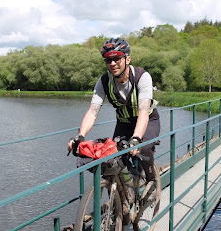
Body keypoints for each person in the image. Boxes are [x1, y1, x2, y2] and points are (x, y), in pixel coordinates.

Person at [68, 37, 160, 183]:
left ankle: (151, 180)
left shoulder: (142, 77)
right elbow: (93, 111)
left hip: (147, 121)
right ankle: (121, 196)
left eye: (117, 58)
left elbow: (143, 112)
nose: (112, 63)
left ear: (127, 59)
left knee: (144, 147)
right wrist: (80, 135)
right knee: (113, 155)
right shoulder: (104, 81)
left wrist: (136, 139)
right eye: (108, 60)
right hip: (123, 123)